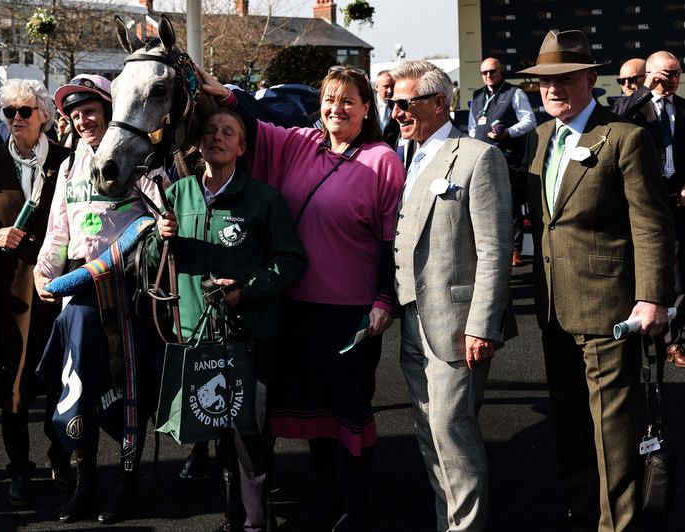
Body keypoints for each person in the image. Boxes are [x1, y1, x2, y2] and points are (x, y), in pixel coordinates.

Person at [199, 64, 405, 530]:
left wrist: (382, 299)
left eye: (349, 100)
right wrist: (223, 94)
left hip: (352, 312)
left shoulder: (382, 159)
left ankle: (359, 505)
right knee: (315, 415)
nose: (337, 108)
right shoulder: (301, 144)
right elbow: (254, 124)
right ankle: (329, 499)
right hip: (297, 307)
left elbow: (392, 239)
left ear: (367, 108)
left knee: (350, 410)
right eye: (330, 99)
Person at [518, 30, 675, 531]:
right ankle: (585, 518)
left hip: (610, 314)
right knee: (571, 430)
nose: (553, 89)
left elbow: (651, 224)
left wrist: (651, 298)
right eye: (545, 81)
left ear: (591, 78)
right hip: (554, 311)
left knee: (611, 435)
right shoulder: (540, 138)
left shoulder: (624, 138)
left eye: (564, 78)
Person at [152, 109, 307, 532]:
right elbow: (152, 265)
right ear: (199, 144)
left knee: (250, 435)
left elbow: (292, 261)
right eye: (210, 131)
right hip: (196, 336)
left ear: (242, 147)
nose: (217, 137)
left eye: (228, 132)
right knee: (215, 430)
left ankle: (258, 523)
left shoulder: (264, 200)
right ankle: (231, 517)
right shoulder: (176, 195)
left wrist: (245, 288)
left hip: (250, 336)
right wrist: (159, 240)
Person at [33, 74, 165, 525]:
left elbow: (162, 214)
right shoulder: (69, 166)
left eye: (90, 110)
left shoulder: (141, 161)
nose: (82, 119)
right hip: (79, 290)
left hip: (128, 291)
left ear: (110, 111)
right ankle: (85, 483)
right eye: (74, 113)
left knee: (133, 389)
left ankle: (127, 484)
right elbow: (58, 229)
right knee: (80, 387)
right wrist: (43, 272)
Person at [390, 60, 512, 532]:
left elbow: (495, 248)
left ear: (439, 103)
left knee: (452, 432)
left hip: (457, 327)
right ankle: (448, 523)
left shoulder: (478, 157)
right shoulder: (409, 156)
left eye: (406, 103)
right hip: (413, 323)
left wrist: (483, 324)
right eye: (393, 103)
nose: (397, 112)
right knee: (428, 435)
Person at [0, 78, 71, 506]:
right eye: (9, 113)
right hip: (12, 291)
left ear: (44, 114)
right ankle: (19, 468)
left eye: (24, 111)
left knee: (63, 376)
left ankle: (60, 455)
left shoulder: (70, 160)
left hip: (63, 287)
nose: (15, 120)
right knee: (16, 382)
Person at [612, 50, 685, 367]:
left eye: (677, 73)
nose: (673, 79)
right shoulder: (636, 107)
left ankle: (675, 341)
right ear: (652, 74)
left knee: (680, 272)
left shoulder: (682, 108)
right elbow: (618, 115)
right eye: (667, 73)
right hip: (643, 200)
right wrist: (645, 88)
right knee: (643, 266)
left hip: (677, 198)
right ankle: (644, 334)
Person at [469, 57, 537, 267]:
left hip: (507, 158)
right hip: (482, 158)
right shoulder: (477, 95)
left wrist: (508, 132)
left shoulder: (514, 93)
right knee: (484, 205)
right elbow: (472, 127)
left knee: (511, 204)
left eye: (492, 71)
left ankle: (515, 250)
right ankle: (489, 250)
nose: (488, 76)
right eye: (484, 73)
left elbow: (530, 120)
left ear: (501, 71)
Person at [375, 70, 399, 148]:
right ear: (377, 87)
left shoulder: (400, 106)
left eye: (392, 86)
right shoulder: (367, 105)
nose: (390, 91)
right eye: (386, 86)